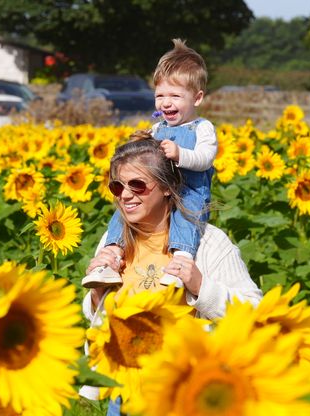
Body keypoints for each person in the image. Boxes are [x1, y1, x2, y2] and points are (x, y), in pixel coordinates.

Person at [82, 132, 262, 416]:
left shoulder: (208, 244)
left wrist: (201, 286)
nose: (125, 195)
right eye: (117, 187)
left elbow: (255, 311)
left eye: (137, 185)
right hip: (125, 395)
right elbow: (99, 317)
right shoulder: (115, 242)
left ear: (167, 187)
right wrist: (96, 295)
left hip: (185, 398)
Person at [82, 39, 217, 289]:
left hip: (189, 191)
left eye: (175, 96)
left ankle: (180, 263)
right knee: (124, 210)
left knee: (186, 221)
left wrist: (179, 154)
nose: (166, 103)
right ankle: (111, 257)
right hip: (156, 194)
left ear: (197, 98)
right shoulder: (159, 128)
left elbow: (205, 159)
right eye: (160, 96)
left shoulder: (202, 128)